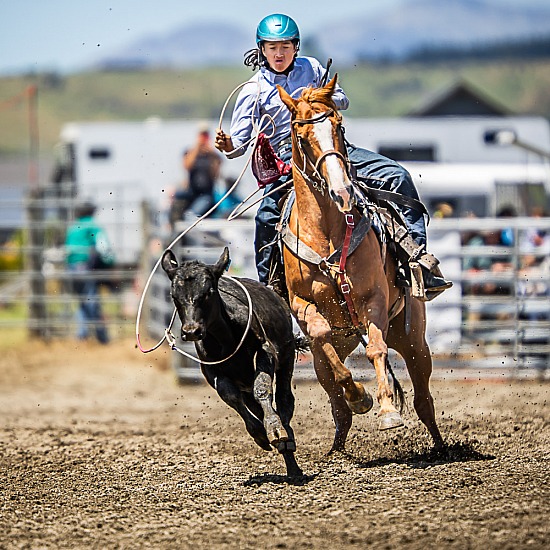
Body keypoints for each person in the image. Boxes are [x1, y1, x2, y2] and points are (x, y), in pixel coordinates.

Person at [215, 13, 451, 300]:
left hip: (335, 149)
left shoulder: (312, 68)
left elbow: (343, 99)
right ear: (261, 50)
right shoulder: (253, 91)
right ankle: (271, 293)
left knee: (397, 176)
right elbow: (238, 144)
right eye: (273, 47)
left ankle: (418, 261)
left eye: (285, 47)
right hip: (292, 162)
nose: (279, 53)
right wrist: (227, 144)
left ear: (296, 47)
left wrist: (318, 97)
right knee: (266, 218)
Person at [65, 200, 114, 344]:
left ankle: (82, 335)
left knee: (82, 300)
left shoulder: (73, 227)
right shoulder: (93, 226)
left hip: (71, 267)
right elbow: (103, 247)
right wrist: (109, 262)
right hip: (85, 267)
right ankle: (102, 336)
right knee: (92, 300)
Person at [170, 125, 223, 225]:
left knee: (191, 215)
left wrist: (211, 152)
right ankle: (171, 223)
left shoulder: (212, 155)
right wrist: (197, 148)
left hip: (206, 193)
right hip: (191, 190)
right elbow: (187, 166)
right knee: (175, 196)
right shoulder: (190, 152)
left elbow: (216, 174)